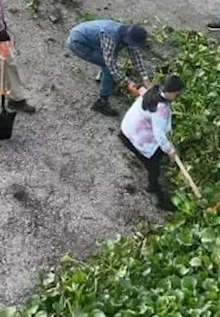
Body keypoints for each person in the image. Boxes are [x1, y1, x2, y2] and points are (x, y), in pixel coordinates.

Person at [120, 74, 185, 211]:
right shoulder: (160, 109)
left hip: (127, 129)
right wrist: (171, 151)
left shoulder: (153, 90)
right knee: (153, 165)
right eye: (178, 94)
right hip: (136, 138)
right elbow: (159, 135)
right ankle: (155, 192)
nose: (179, 97)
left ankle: (156, 180)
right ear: (171, 92)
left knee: (160, 152)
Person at [67, 20, 152, 116]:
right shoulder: (111, 37)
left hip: (90, 37)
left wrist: (145, 78)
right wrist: (128, 83)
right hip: (78, 42)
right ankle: (102, 102)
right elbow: (111, 66)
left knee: (110, 61)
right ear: (128, 39)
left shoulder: (127, 32)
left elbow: (135, 55)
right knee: (108, 68)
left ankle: (104, 79)